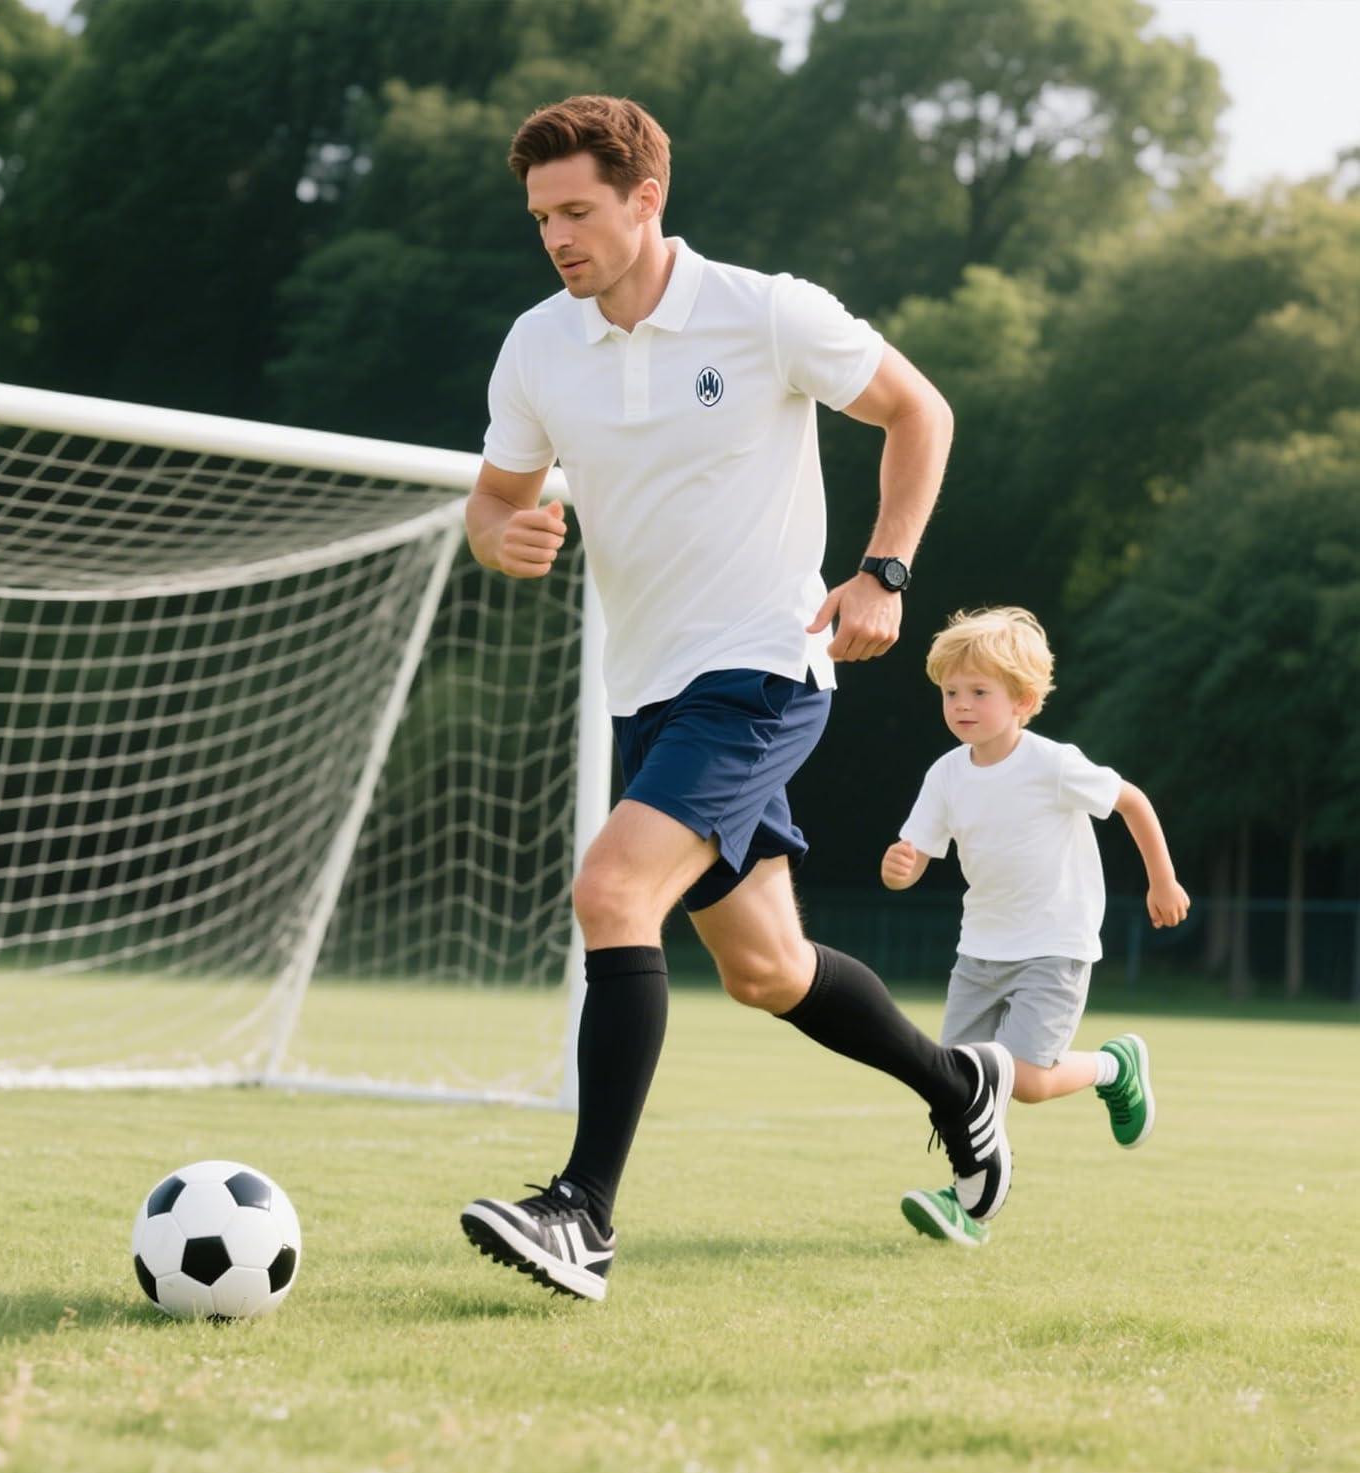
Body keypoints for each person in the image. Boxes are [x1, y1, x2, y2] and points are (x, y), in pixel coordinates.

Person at [458, 93, 1013, 1302]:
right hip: (648, 690)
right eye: (541, 215)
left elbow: (922, 411)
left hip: (762, 673)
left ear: (645, 198)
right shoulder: (537, 345)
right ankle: (958, 1085)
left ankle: (582, 1217)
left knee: (610, 889)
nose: (556, 236)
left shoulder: (766, 313)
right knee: (766, 969)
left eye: (579, 210)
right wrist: (499, 533)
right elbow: (495, 497)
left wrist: (884, 572)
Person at [882, 606, 1191, 1247]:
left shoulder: (1051, 764)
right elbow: (914, 857)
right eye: (950, 693)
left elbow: (1131, 800)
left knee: (1024, 1082)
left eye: (978, 692)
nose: (961, 705)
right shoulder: (946, 774)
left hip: (1055, 943)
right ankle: (969, 1200)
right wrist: (901, 867)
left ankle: (1114, 1069)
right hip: (980, 951)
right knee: (955, 1082)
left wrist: (1163, 880)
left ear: (1022, 700)